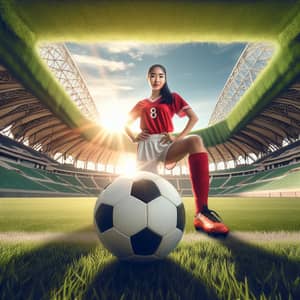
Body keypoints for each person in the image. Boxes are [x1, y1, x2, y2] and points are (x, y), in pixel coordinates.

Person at [125, 64, 229, 235]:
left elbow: (193, 118)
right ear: (147, 78)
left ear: (165, 78)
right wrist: (133, 136)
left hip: (166, 144)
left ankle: (202, 213)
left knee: (195, 140)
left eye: (160, 76)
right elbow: (125, 124)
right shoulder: (141, 104)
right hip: (146, 146)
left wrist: (178, 137)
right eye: (152, 75)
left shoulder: (172, 98)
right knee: (143, 192)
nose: (156, 79)